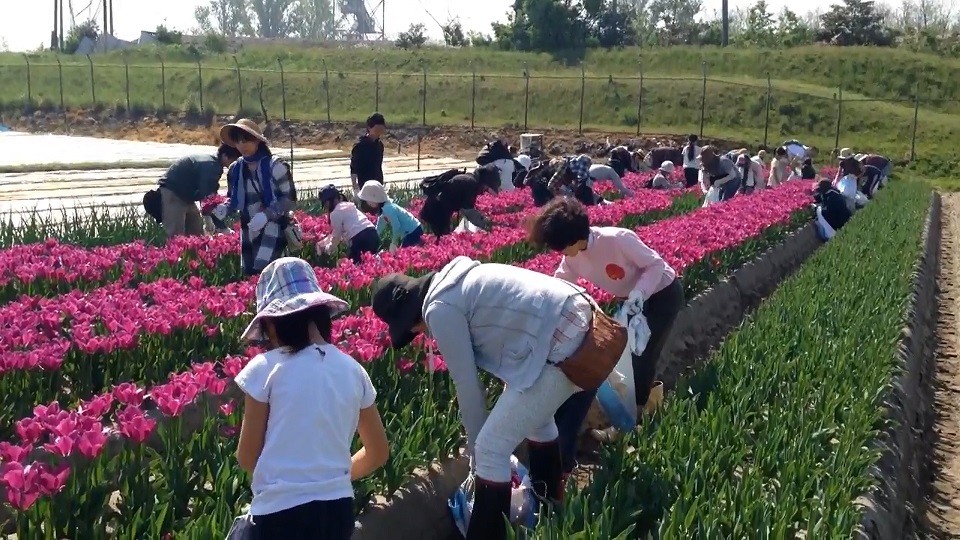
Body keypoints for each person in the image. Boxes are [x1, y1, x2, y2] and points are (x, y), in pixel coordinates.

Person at [371, 256, 622, 539]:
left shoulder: (440, 309)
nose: (419, 333)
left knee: (492, 448)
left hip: (568, 342)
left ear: (408, 319)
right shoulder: (458, 281)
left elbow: (468, 387)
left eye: (412, 330)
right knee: (537, 421)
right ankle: (549, 513)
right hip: (578, 319)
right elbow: (509, 338)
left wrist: (479, 457)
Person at [233, 257, 389, 539]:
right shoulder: (354, 370)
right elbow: (378, 452)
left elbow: (247, 457)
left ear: (270, 324)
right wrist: (328, 479)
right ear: (321, 314)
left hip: (278, 515)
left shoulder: (265, 369)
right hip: (337, 511)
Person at [525, 197, 684, 460]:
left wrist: (639, 294)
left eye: (562, 247)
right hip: (632, 303)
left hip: (662, 295)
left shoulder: (619, 239)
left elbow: (655, 265)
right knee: (630, 359)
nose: (561, 253)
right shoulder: (574, 257)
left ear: (575, 238)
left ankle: (633, 423)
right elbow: (562, 281)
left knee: (641, 356)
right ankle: (645, 407)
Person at [212, 119, 297, 277]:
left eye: (246, 139)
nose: (242, 144)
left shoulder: (275, 166)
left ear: (257, 140)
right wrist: (225, 207)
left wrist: (266, 215)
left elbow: (289, 200)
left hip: (273, 227)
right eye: (238, 140)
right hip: (248, 228)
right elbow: (233, 197)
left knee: (266, 271)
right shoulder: (235, 169)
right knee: (250, 274)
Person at [157, 144, 241, 238]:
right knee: (176, 236)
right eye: (234, 160)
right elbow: (208, 197)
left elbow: (209, 197)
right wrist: (220, 225)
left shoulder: (213, 163)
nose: (235, 164)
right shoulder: (211, 165)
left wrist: (213, 219)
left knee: (197, 233)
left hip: (187, 197)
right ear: (225, 156)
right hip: (173, 193)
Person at [418, 165, 500, 237]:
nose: (485, 192)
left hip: (435, 207)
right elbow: (468, 210)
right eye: (487, 188)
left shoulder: (470, 179)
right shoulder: (471, 184)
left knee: (443, 237)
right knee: (443, 238)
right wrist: (486, 225)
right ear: (484, 183)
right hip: (436, 211)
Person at [317, 185, 380, 264]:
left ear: (329, 201)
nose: (325, 207)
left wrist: (327, 249)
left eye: (325, 203)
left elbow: (337, 237)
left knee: (355, 267)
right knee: (371, 262)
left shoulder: (335, 213)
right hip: (372, 233)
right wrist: (325, 241)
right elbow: (335, 234)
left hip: (359, 239)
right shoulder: (349, 206)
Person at [357, 182, 424, 250]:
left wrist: (394, 243)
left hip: (413, 231)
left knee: (405, 252)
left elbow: (396, 226)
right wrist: (375, 236)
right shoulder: (384, 209)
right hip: (410, 232)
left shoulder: (388, 209)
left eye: (368, 200)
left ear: (375, 199)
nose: (367, 203)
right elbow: (381, 224)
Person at [350, 113, 386, 193]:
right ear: (369, 128)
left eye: (381, 130)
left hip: (378, 185)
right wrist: (355, 188)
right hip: (364, 187)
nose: (378, 133)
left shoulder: (380, 145)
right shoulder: (359, 146)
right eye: (377, 130)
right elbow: (353, 169)